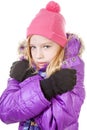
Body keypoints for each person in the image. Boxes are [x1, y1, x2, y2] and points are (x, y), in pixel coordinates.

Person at [0, 1, 85, 130]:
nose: (38, 55)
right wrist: (43, 86)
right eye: (33, 47)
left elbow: (53, 124)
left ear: (61, 47)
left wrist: (32, 82)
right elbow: (5, 113)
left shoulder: (69, 73)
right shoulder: (25, 69)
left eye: (46, 46)